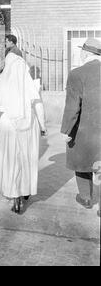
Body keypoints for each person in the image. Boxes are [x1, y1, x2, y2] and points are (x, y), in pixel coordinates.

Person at [0, 51, 46, 213]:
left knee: (10, 159)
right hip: (29, 124)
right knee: (26, 159)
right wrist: (43, 127)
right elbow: (38, 106)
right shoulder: (29, 83)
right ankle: (24, 190)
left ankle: (13, 194)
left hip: (8, 126)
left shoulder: (4, 83)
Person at [60, 37, 101, 215]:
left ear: (85, 53)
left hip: (85, 131)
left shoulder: (77, 74)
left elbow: (72, 107)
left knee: (82, 161)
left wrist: (66, 130)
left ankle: (86, 197)